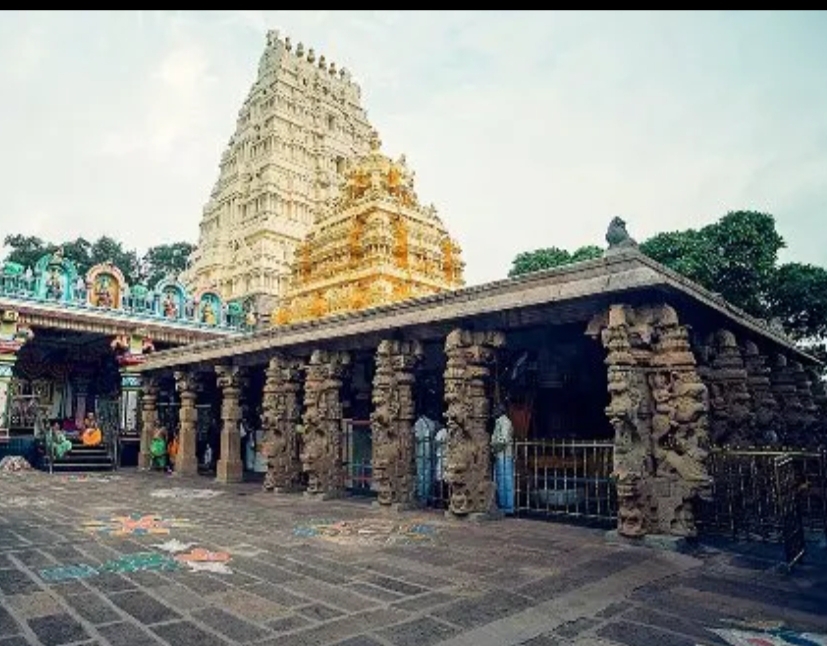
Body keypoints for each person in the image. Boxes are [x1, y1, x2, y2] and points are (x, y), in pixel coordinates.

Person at [491, 404, 515, 515]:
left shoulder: (505, 422)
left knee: (506, 481)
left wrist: (492, 445)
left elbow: (503, 440)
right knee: (501, 481)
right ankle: (503, 505)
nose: (494, 412)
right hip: (500, 455)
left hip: (504, 454)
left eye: (495, 410)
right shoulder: (499, 421)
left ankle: (508, 507)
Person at [414, 413, 438, 503]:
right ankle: (427, 496)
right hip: (429, 450)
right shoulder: (431, 423)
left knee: (421, 474)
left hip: (422, 450)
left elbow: (418, 437)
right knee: (428, 474)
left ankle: (422, 496)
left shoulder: (419, 422)